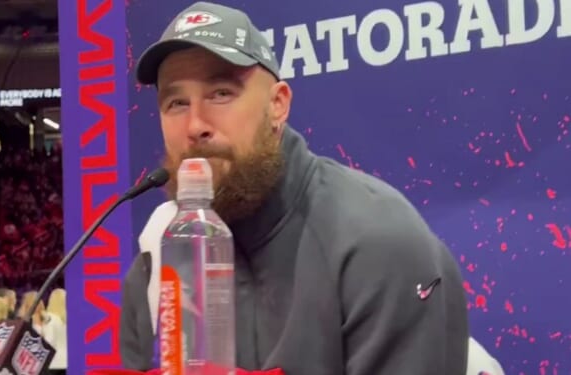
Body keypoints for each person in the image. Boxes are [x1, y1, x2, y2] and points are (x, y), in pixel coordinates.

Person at [121, 2, 470, 375]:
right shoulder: (157, 258)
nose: (195, 125)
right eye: (176, 102)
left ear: (278, 105)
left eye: (221, 93)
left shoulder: (378, 241)